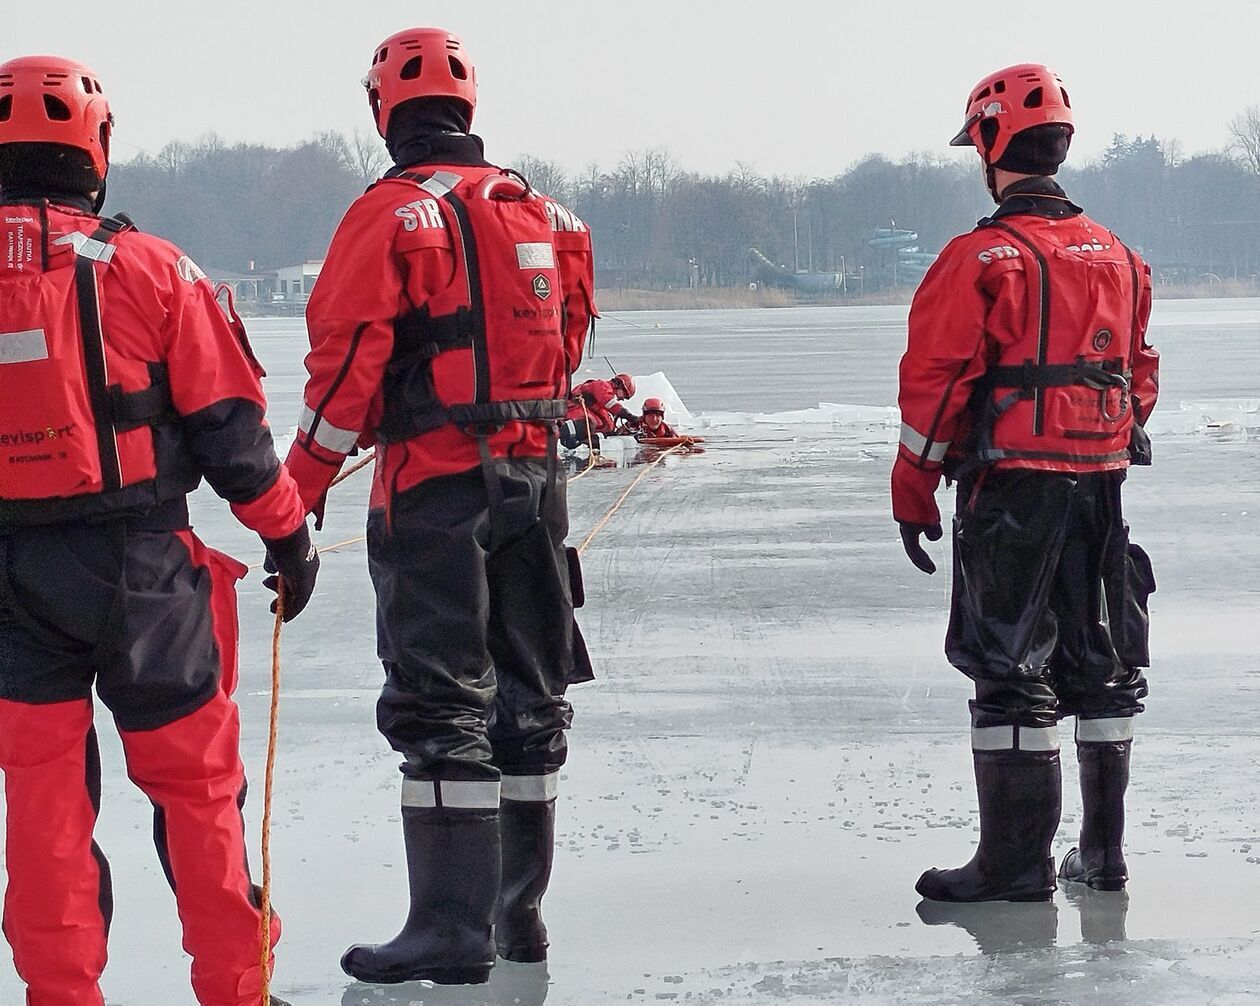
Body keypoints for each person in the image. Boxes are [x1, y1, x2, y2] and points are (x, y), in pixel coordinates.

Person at [0, 55, 318, 1006]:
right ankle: (233, 985)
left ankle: (61, 996)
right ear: (95, 151)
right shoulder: (149, 268)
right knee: (197, 795)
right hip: (146, 576)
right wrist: (289, 541)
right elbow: (234, 433)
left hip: (11, 584)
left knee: (44, 811)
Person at [282, 27, 597, 985]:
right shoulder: (544, 211)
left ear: (385, 112)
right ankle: (518, 920)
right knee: (529, 698)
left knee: (441, 696)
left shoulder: (386, 217)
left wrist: (295, 494)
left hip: (433, 485)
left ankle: (451, 928)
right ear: (468, 109)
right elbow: (570, 338)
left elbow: (342, 368)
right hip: (537, 483)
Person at [891, 64, 1159, 904]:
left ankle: (1014, 865)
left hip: (1014, 488)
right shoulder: (1118, 254)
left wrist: (913, 487)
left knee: (1009, 665)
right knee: (1103, 657)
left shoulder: (981, 259)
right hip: (1101, 486)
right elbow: (1138, 371)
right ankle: (1103, 857)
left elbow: (936, 381)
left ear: (989, 143)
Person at [561, 373, 637, 448]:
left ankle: (583, 444)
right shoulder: (602, 385)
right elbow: (608, 402)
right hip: (574, 413)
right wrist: (628, 415)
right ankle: (563, 435)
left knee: (601, 426)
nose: (623, 398)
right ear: (620, 385)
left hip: (580, 417)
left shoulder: (602, 404)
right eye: (625, 395)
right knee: (591, 422)